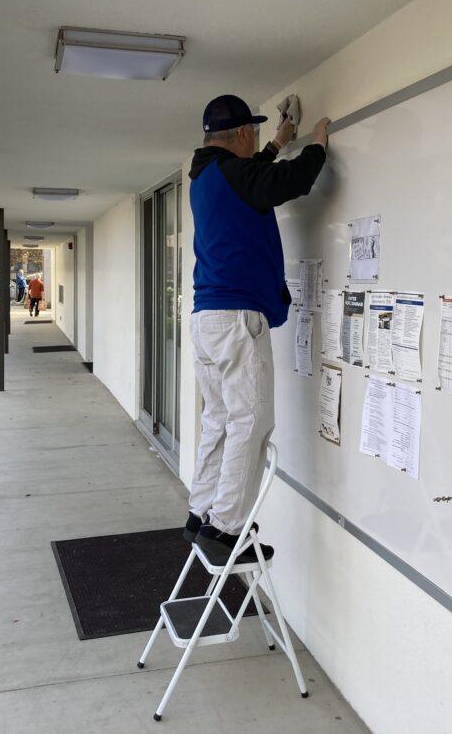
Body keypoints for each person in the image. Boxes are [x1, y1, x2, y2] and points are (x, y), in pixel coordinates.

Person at [186, 93, 330, 565]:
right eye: (256, 136)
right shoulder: (233, 175)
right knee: (252, 420)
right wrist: (317, 146)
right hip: (236, 320)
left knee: (221, 419)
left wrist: (278, 142)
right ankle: (225, 528)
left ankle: (202, 510)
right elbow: (285, 181)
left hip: (207, 318)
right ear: (244, 134)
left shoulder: (206, 176)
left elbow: (252, 179)